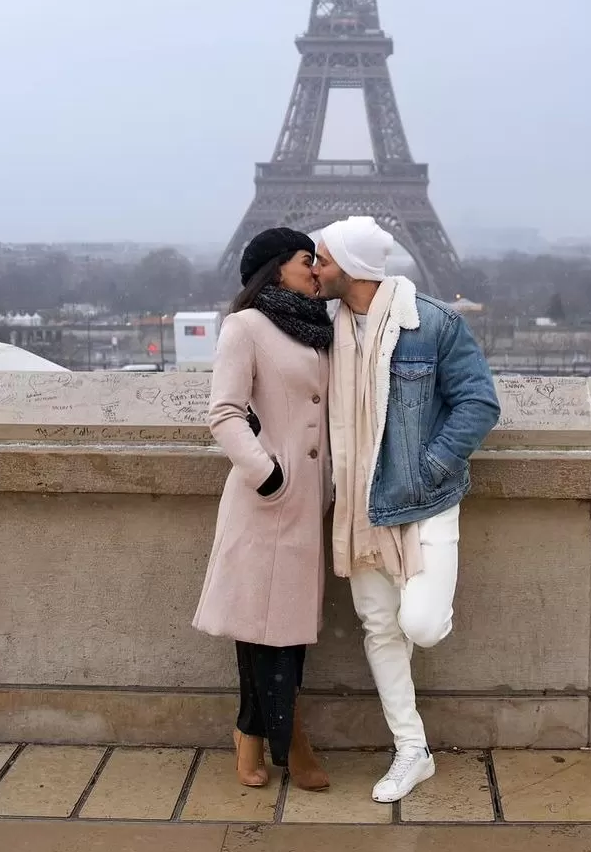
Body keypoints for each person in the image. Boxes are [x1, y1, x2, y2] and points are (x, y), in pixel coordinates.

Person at [313, 216, 500, 803]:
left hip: (425, 499)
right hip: (359, 503)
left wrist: (429, 468)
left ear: (352, 265)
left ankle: (411, 739)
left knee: (417, 624)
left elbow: (479, 402)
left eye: (322, 259)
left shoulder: (435, 323)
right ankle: (411, 750)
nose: (314, 269)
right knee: (379, 628)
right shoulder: (324, 328)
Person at [192, 227, 334, 792]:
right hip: (267, 501)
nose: (316, 269)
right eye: (307, 260)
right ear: (277, 268)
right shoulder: (246, 326)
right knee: (260, 630)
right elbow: (223, 411)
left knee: (286, 632)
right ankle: (284, 737)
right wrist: (269, 474)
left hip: (310, 502)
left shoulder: (322, 327)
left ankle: (258, 732)